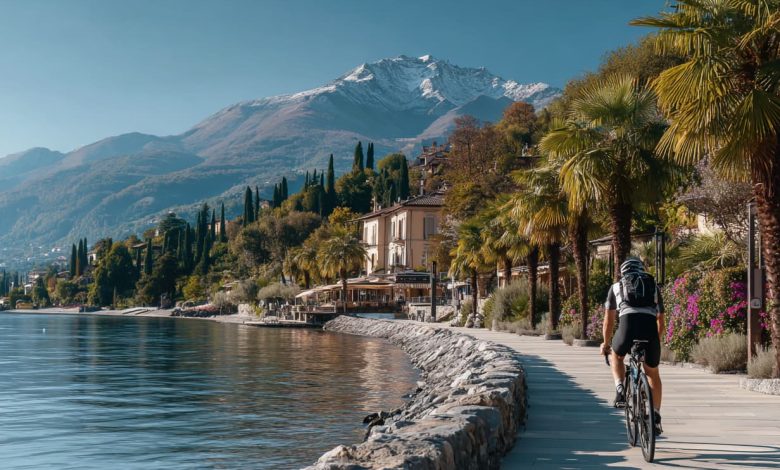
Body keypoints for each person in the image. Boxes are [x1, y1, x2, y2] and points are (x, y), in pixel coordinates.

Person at [600, 257, 665, 436]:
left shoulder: (616, 287)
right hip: (649, 329)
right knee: (652, 372)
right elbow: (661, 320)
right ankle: (655, 415)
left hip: (627, 327)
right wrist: (655, 340)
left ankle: (620, 389)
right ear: (642, 270)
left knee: (617, 355)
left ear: (622, 273)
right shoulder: (653, 286)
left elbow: (609, 320)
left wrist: (606, 343)